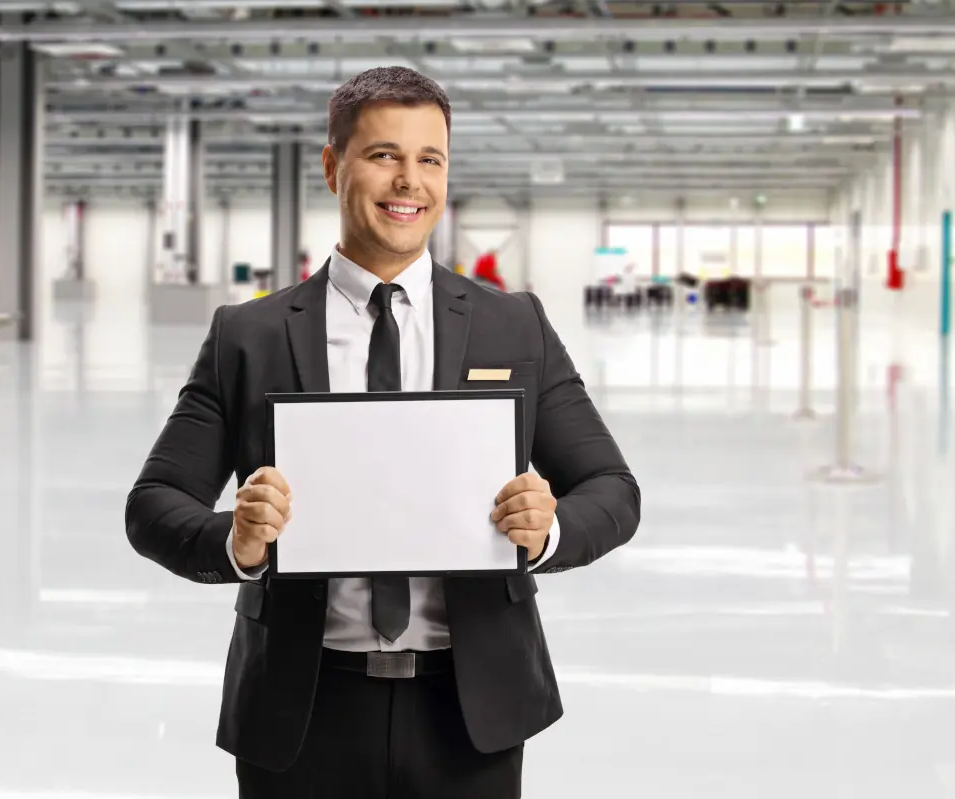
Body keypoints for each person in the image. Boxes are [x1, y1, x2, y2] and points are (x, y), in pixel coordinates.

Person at [124, 66, 640, 798]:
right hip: (301, 709)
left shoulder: (511, 323)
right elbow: (153, 503)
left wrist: (547, 530)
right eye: (384, 155)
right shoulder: (252, 335)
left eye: (431, 159)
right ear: (333, 165)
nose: (410, 182)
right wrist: (235, 543)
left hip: (469, 714)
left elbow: (614, 490)